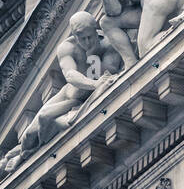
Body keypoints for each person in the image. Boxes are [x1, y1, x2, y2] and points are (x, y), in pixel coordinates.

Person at [20, 11, 120, 150]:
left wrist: (94, 56)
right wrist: (94, 83)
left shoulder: (108, 43)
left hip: (85, 97)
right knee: (30, 135)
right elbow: (70, 74)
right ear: (74, 36)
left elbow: (112, 69)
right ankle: (19, 155)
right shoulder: (68, 47)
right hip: (68, 96)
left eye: (90, 37)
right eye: (82, 39)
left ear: (95, 29)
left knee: (45, 118)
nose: (87, 42)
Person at [79, 0, 182, 69]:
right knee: (107, 23)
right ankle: (130, 62)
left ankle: (178, 35)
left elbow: (114, 9)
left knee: (146, 49)